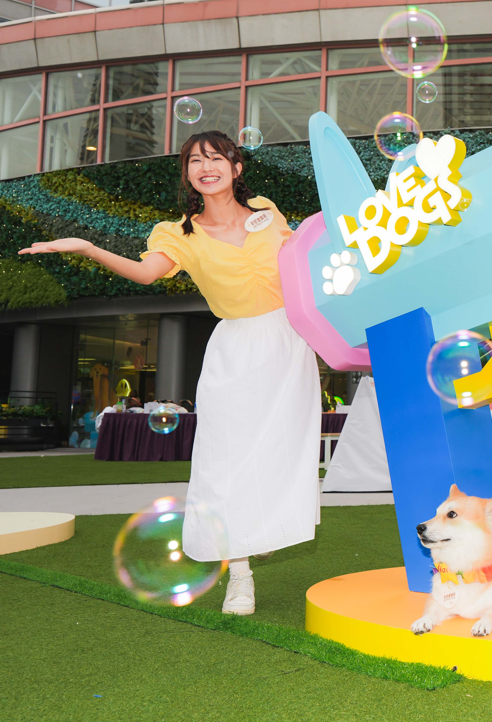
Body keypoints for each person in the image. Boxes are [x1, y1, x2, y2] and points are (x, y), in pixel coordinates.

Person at [20, 131, 320, 616]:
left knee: (283, 449)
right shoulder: (179, 234)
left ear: (236, 168)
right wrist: (88, 248)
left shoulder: (267, 211)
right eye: (195, 160)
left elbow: (301, 263)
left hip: (290, 343)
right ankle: (239, 575)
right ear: (187, 174)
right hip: (237, 348)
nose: (206, 166)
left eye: (216, 157)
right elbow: (145, 273)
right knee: (225, 459)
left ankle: (261, 530)